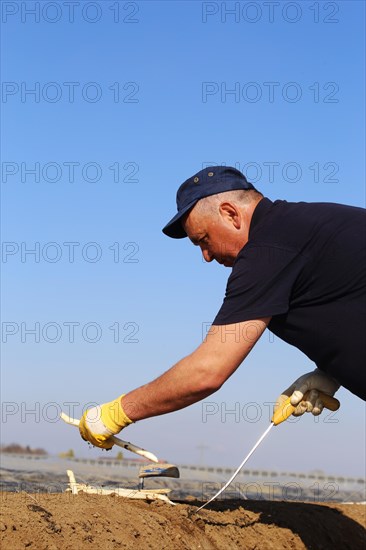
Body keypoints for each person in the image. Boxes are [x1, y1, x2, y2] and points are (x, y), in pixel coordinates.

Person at [79, 166, 366, 449]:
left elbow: (207, 372)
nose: (206, 256)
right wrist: (331, 371)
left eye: (204, 240)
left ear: (230, 213)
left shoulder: (266, 251)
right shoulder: (306, 226)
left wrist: (116, 413)